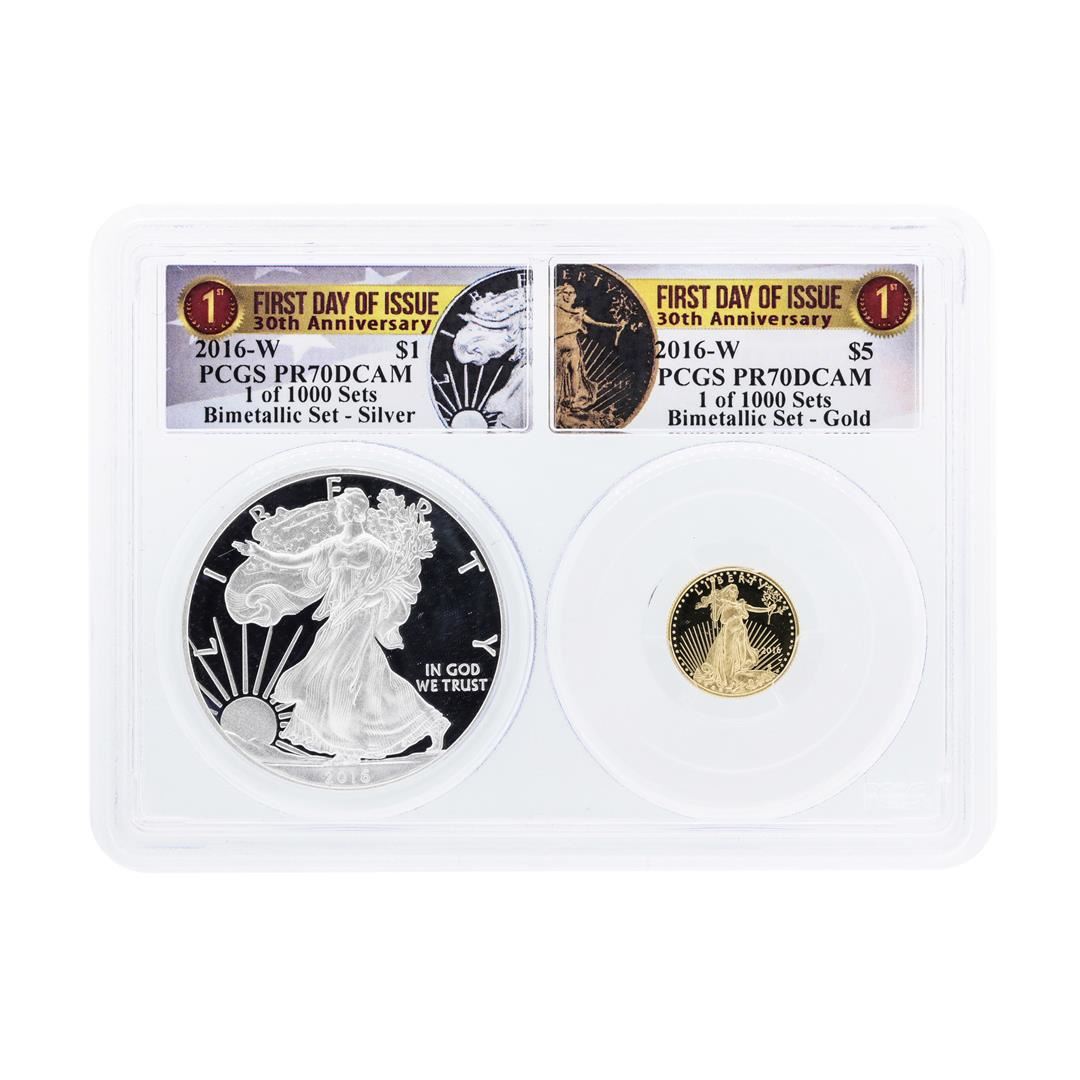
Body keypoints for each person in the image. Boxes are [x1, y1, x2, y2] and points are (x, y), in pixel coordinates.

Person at [229, 488, 448, 758]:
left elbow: (393, 585)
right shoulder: (332, 545)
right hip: (339, 614)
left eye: (342, 507)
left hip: (361, 615)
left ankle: (348, 743)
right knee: (368, 678)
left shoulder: (376, 547)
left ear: (354, 512)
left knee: (341, 674)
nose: (338, 512)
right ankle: (429, 722)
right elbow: (293, 561)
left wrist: (371, 598)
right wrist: (259, 552)